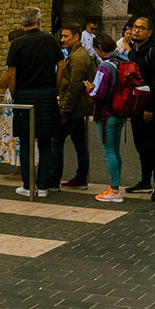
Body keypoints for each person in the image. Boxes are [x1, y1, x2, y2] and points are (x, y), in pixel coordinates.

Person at [7, 7, 64, 198]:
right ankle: (43, 187)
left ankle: (27, 184)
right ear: (39, 20)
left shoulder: (18, 44)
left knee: (26, 141)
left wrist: (15, 94)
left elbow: (12, 72)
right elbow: (61, 65)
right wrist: (54, 86)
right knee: (46, 142)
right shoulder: (50, 40)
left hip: (25, 94)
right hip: (47, 94)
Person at [125, 17, 155, 201]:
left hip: (149, 108)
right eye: (134, 27)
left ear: (149, 32)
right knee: (140, 146)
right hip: (135, 107)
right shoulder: (133, 53)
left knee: (152, 147)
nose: (136, 31)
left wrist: (151, 107)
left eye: (141, 28)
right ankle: (145, 180)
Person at [50, 24, 95, 190]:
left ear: (76, 37)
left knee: (57, 140)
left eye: (65, 36)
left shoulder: (78, 58)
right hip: (79, 108)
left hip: (74, 109)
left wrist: (65, 111)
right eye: (61, 36)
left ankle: (54, 180)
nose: (62, 40)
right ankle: (81, 177)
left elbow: (74, 86)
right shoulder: (77, 55)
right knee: (80, 143)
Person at [88, 32, 129, 203]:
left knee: (108, 151)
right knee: (115, 150)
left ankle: (114, 190)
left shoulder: (104, 66)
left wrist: (89, 88)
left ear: (99, 48)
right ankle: (115, 185)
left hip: (106, 114)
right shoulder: (122, 61)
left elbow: (99, 93)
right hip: (121, 111)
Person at [0, 26, 26, 167]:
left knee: (13, 131)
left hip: (13, 96)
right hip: (25, 93)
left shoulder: (14, 59)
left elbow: (3, 81)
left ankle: (19, 166)